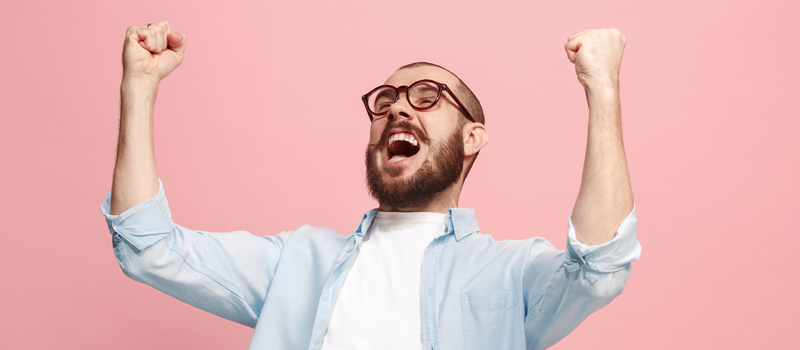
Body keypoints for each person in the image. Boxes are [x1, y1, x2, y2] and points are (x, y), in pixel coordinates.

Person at [101, 21, 641, 350]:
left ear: (473, 137)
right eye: (385, 101)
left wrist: (603, 89)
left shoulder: (511, 272)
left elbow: (599, 266)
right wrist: (140, 87)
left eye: (426, 96)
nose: (399, 106)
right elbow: (148, 248)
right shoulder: (298, 262)